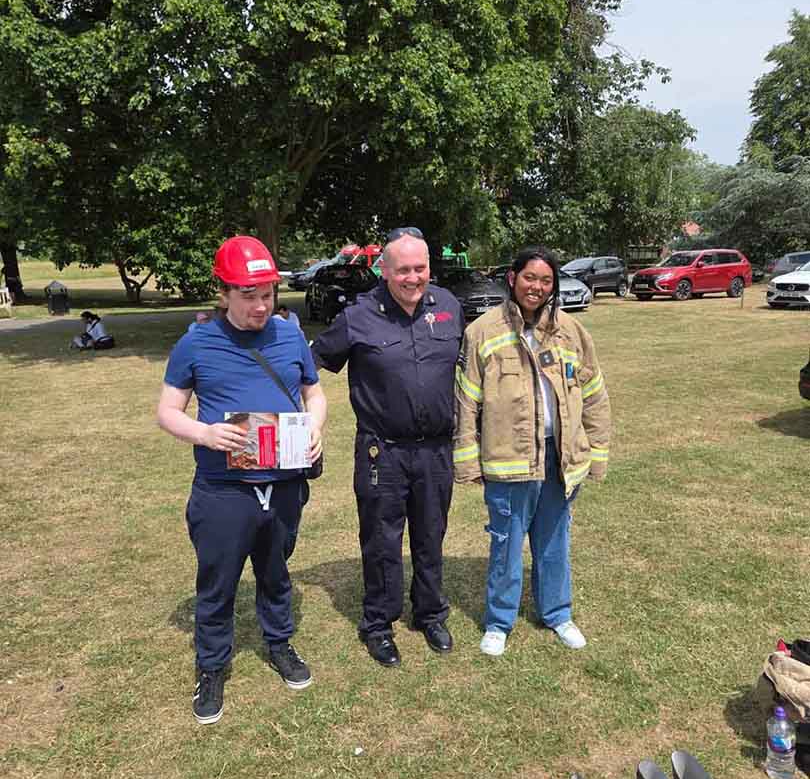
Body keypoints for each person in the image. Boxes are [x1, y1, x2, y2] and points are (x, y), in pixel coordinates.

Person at [157, 235, 327, 724]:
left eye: (267, 294)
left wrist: (315, 427)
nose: (261, 306)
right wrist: (206, 434)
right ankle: (211, 666)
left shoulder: (289, 336)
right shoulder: (196, 343)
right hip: (223, 489)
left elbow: (314, 395)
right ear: (225, 292)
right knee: (218, 581)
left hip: (284, 483)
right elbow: (168, 411)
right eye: (248, 295)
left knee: (276, 571)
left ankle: (280, 643)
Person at [311, 227, 462, 667]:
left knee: (431, 534)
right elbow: (309, 363)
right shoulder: (358, 316)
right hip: (383, 451)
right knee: (381, 539)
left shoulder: (448, 307)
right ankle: (378, 623)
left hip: (436, 450)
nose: (413, 278)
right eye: (403, 270)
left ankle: (430, 614)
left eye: (420, 268)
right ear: (384, 271)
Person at [453, 246, 611, 657]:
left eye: (546, 281)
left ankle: (558, 614)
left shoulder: (572, 332)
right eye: (529, 278)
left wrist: (596, 451)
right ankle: (498, 622)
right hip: (509, 459)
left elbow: (594, 394)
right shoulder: (482, 331)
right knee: (506, 544)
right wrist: (467, 459)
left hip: (560, 457)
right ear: (512, 278)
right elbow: (466, 402)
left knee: (554, 541)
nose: (536, 287)